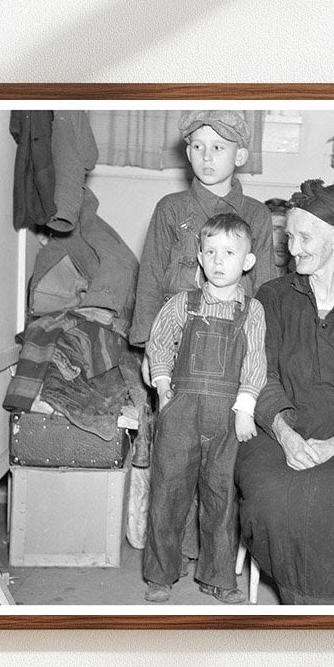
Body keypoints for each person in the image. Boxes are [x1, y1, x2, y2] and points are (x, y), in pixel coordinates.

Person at [236, 179, 334, 604]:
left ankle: (323, 615)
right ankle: (303, 611)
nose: (292, 248)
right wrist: (287, 436)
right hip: (279, 426)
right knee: (272, 495)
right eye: (289, 236)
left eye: (304, 236)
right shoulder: (272, 297)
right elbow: (261, 375)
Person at [142, 213, 267, 604]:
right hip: (181, 412)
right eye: (210, 251)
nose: (218, 260)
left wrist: (246, 406)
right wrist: (162, 386)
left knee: (222, 498)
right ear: (199, 256)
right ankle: (161, 573)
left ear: (247, 261)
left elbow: (256, 362)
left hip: (229, 417)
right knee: (168, 493)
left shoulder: (252, 311)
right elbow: (158, 344)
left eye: (229, 252)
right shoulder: (184, 303)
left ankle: (219, 578)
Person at [129, 110, 275, 348]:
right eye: (198, 147)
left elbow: (266, 289)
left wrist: (263, 351)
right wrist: (150, 347)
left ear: (239, 156)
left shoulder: (257, 215)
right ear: (188, 153)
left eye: (218, 148)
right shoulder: (171, 208)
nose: (206, 157)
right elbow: (150, 279)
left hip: (236, 342)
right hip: (176, 338)